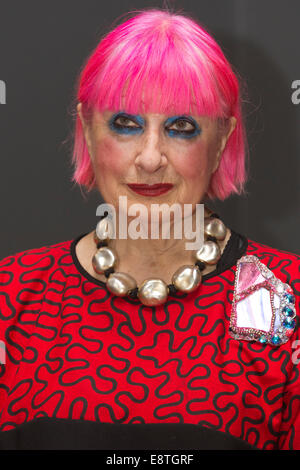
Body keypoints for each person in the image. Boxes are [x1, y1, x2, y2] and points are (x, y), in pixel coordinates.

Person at [0, 7, 299, 451]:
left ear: (221, 142)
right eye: (125, 124)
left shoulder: (283, 301)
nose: (150, 157)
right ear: (86, 128)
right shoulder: (12, 297)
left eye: (182, 127)